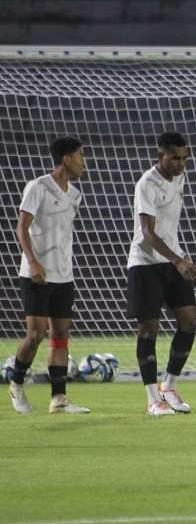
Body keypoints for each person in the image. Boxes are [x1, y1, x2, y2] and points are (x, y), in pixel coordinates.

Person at [8, 136, 90, 415]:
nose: (84, 161)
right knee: (36, 334)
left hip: (63, 275)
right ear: (66, 158)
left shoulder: (75, 194)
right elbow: (22, 227)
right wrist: (33, 262)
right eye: (80, 155)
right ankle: (16, 383)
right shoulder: (38, 186)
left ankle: (58, 398)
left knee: (60, 335)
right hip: (36, 273)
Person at [127, 131, 196, 416]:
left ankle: (168, 386)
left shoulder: (180, 177)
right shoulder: (147, 183)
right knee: (149, 328)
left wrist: (180, 257)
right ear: (161, 156)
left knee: (189, 322)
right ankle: (152, 399)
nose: (181, 164)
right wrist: (178, 261)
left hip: (172, 260)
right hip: (145, 263)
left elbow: (170, 228)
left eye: (184, 158)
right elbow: (147, 234)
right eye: (174, 158)